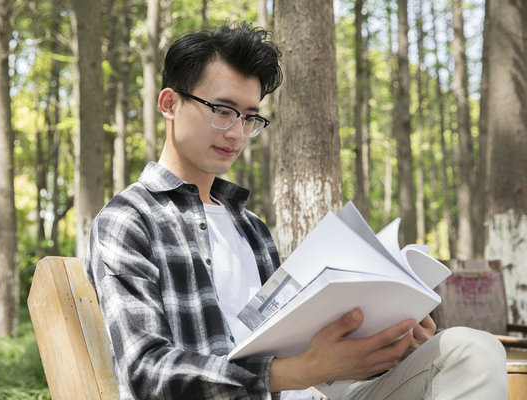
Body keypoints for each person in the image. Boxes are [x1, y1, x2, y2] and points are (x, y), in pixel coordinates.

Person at [85, 21, 508, 400]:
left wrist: (390, 343)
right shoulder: (131, 220)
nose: (236, 133)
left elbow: (302, 354)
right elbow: (145, 372)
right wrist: (295, 372)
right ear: (169, 104)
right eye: (222, 110)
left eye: (249, 117)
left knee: (471, 351)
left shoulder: (250, 228)